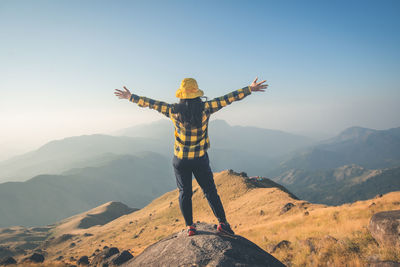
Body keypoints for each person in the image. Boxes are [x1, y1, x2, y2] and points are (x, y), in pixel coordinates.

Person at [114, 77, 268, 236]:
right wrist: (249, 89)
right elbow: (228, 98)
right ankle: (223, 223)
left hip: (180, 160)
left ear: (181, 95)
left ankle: (190, 227)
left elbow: (152, 104)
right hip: (200, 159)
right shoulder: (206, 108)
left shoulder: (173, 110)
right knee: (210, 191)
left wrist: (131, 97)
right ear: (197, 94)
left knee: (184, 193)